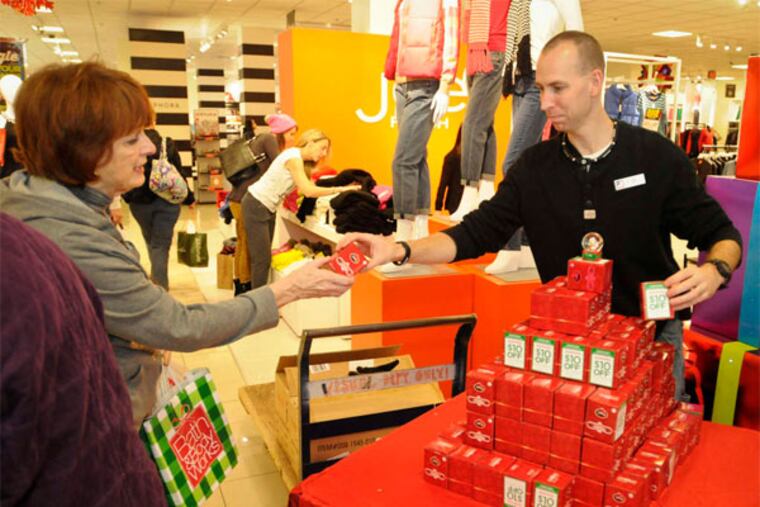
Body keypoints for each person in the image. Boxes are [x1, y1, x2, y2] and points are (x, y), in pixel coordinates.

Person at [340, 31, 743, 402]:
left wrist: (715, 271)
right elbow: (473, 235)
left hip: (651, 338)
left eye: (558, 88)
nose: (546, 103)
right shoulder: (534, 168)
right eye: (541, 89)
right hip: (568, 342)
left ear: (594, 82)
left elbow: (722, 235)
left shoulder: (655, 157)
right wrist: (396, 248)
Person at [0, 62, 356, 428]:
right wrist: (290, 289)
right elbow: (178, 325)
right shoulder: (66, 233)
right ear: (82, 150)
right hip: (89, 425)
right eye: (131, 138)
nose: (149, 149)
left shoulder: (45, 203)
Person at [0, 213, 165, 506]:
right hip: (104, 473)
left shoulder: (38, 234)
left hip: (103, 467)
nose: (143, 162)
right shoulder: (42, 241)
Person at [241, 129, 361, 289]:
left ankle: (262, 300)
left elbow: (310, 186)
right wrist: (340, 189)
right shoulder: (293, 158)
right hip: (256, 205)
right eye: (322, 148)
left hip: (266, 207)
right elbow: (308, 191)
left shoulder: (298, 159)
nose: (324, 153)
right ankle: (258, 306)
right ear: (311, 143)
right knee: (261, 260)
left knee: (263, 259)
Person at [228, 113, 297, 295]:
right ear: (281, 132)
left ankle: (242, 285)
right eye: (291, 134)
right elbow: (280, 167)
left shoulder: (258, 139)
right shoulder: (269, 140)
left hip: (239, 197)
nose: (293, 139)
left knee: (244, 244)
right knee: (251, 249)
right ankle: (245, 287)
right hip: (249, 198)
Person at [122, 128, 195, 290]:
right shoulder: (166, 144)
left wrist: (127, 197)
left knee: (151, 241)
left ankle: (156, 280)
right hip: (167, 202)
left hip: (139, 203)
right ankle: (161, 287)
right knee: (160, 245)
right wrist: (189, 198)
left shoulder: (131, 146)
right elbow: (179, 173)